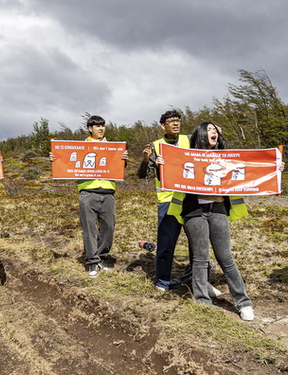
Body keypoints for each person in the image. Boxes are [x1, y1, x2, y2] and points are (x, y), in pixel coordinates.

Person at [165, 121, 255, 321]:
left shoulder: (226, 157)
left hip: (218, 210)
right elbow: (171, 171)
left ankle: (243, 303)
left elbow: (253, 169)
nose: (214, 132)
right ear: (200, 135)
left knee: (225, 257)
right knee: (200, 259)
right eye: (210, 129)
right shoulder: (186, 157)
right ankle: (202, 302)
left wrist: (275, 167)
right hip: (193, 211)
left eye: (216, 130)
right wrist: (164, 164)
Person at [137, 109, 219, 296]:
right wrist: (145, 159)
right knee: (166, 244)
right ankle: (162, 281)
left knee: (197, 245)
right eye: (171, 121)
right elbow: (141, 175)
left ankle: (200, 282)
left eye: (178, 120)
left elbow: (208, 152)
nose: (175, 123)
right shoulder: (156, 146)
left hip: (191, 199)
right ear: (163, 125)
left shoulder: (189, 140)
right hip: (167, 201)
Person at [70, 116, 127, 277]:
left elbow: (119, 167)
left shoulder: (113, 147)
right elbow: (67, 162)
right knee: (89, 229)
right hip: (88, 192)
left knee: (109, 228)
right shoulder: (80, 147)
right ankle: (92, 262)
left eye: (103, 126)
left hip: (108, 192)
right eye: (97, 126)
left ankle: (101, 258)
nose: (101, 129)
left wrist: (124, 159)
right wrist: (56, 158)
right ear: (90, 128)